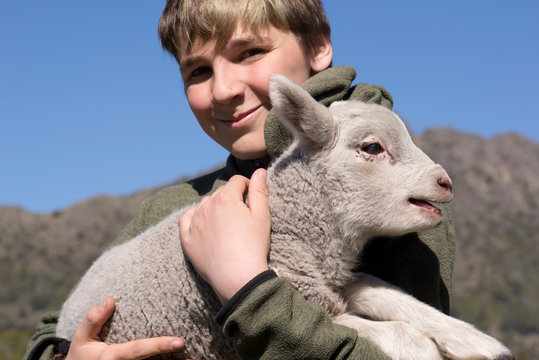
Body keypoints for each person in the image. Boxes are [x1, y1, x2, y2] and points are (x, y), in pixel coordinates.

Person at [24, 0, 455, 359]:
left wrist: (248, 289)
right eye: (197, 71)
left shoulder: (394, 197)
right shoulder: (175, 205)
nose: (222, 89)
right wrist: (66, 354)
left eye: (250, 52)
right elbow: (54, 326)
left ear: (319, 46)